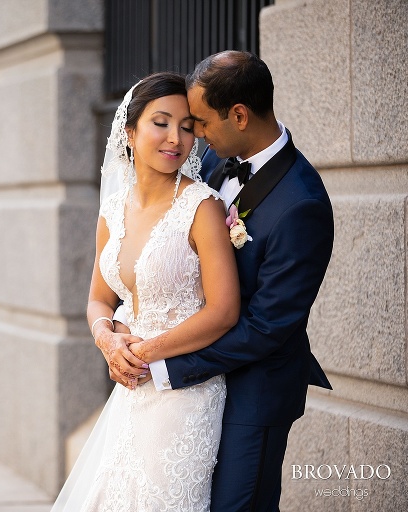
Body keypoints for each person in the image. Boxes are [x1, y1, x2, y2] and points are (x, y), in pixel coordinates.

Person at [117, 51, 335, 511]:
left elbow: (268, 325)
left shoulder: (302, 204)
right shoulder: (215, 170)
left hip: (254, 392)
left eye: (198, 121)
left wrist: (164, 362)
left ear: (239, 115)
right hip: (196, 392)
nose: (192, 134)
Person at [51, 72, 241, 510]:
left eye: (188, 126)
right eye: (161, 122)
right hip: (131, 387)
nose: (176, 137)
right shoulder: (113, 209)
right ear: (130, 130)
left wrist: (144, 353)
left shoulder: (203, 207)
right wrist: (107, 340)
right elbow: (100, 298)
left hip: (185, 392)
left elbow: (224, 311)